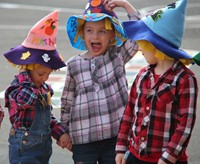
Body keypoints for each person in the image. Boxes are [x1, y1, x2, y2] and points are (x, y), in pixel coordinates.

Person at [115, 0, 200, 164]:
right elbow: (129, 112)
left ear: (156, 46)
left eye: (143, 44)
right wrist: (121, 146)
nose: (139, 48)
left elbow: (185, 124)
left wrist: (168, 157)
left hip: (167, 159)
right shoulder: (142, 75)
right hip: (135, 155)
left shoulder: (185, 79)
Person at [60, 0, 141, 163]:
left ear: (112, 35)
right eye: (89, 30)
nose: (95, 36)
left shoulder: (117, 56)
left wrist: (126, 5)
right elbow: (67, 100)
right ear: (82, 34)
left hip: (116, 137)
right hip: (84, 138)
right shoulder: (74, 64)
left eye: (102, 31)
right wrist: (64, 131)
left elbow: (138, 35)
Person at [3, 11, 71, 164]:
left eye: (48, 74)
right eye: (41, 73)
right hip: (24, 147)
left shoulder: (43, 88)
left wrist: (60, 133)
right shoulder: (18, 87)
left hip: (43, 148)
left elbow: (48, 118)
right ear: (28, 67)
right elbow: (23, 101)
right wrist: (30, 80)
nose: (45, 78)